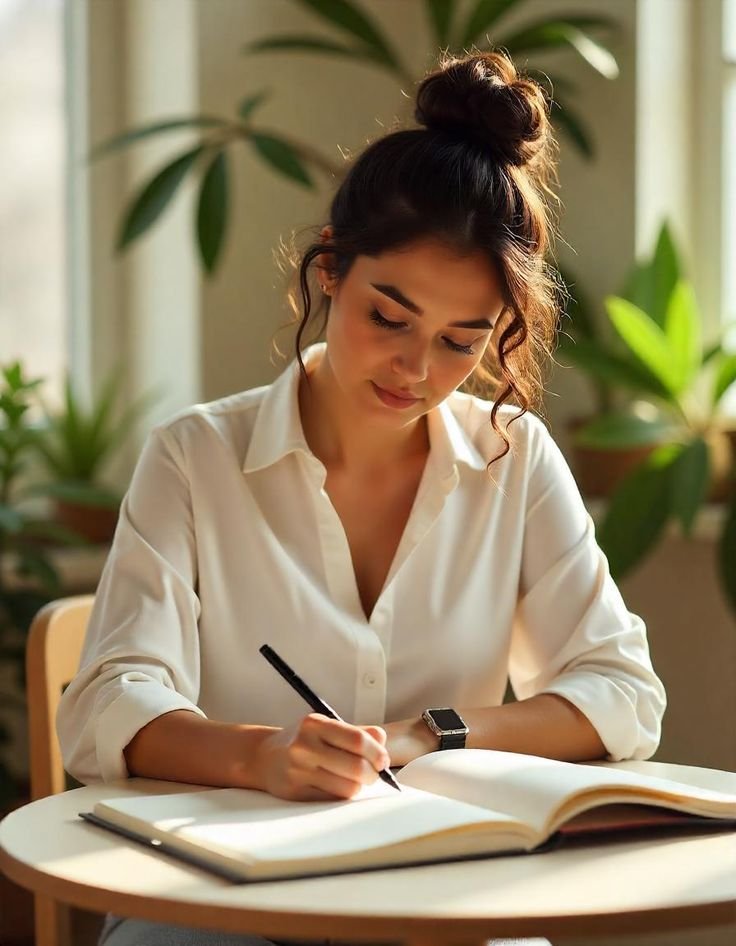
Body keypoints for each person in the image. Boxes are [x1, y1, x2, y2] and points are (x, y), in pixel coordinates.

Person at [57, 50, 666, 946]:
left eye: (463, 342)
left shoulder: (515, 459)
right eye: (390, 316)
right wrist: (261, 755)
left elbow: (621, 691)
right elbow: (108, 700)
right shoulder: (197, 457)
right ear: (332, 270)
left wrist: (434, 732)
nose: (417, 371)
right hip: (224, 896)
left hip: (441, 889)